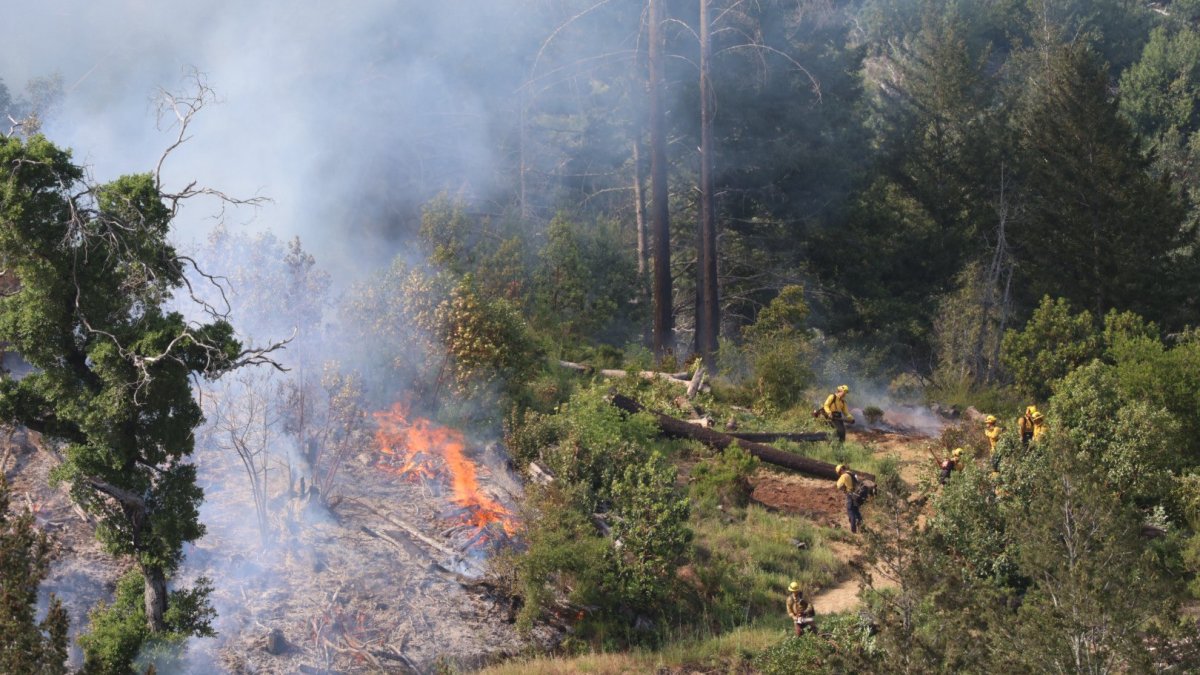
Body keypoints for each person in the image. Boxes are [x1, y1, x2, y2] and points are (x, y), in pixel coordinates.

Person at [836, 464, 863, 533]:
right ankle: (862, 527)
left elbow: (838, 486)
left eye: (839, 473)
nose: (840, 474)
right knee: (856, 511)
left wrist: (844, 489)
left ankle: (853, 531)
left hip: (850, 495)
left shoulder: (844, 476)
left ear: (841, 470)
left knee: (850, 511)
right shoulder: (853, 474)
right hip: (857, 495)